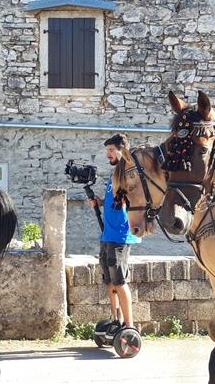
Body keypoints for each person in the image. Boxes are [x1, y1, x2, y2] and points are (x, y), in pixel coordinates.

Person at [88, 134, 141, 328]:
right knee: (110, 282)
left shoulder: (128, 175)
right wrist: (100, 202)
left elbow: (133, 199)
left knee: (119, 281)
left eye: (111, 150)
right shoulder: (113, 176)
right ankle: (116, 320)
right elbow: (115, 202)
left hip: (120, 235)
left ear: (122, 151)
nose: (108, 154)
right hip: (107, 235)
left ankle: (129, 325)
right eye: (107, 151)